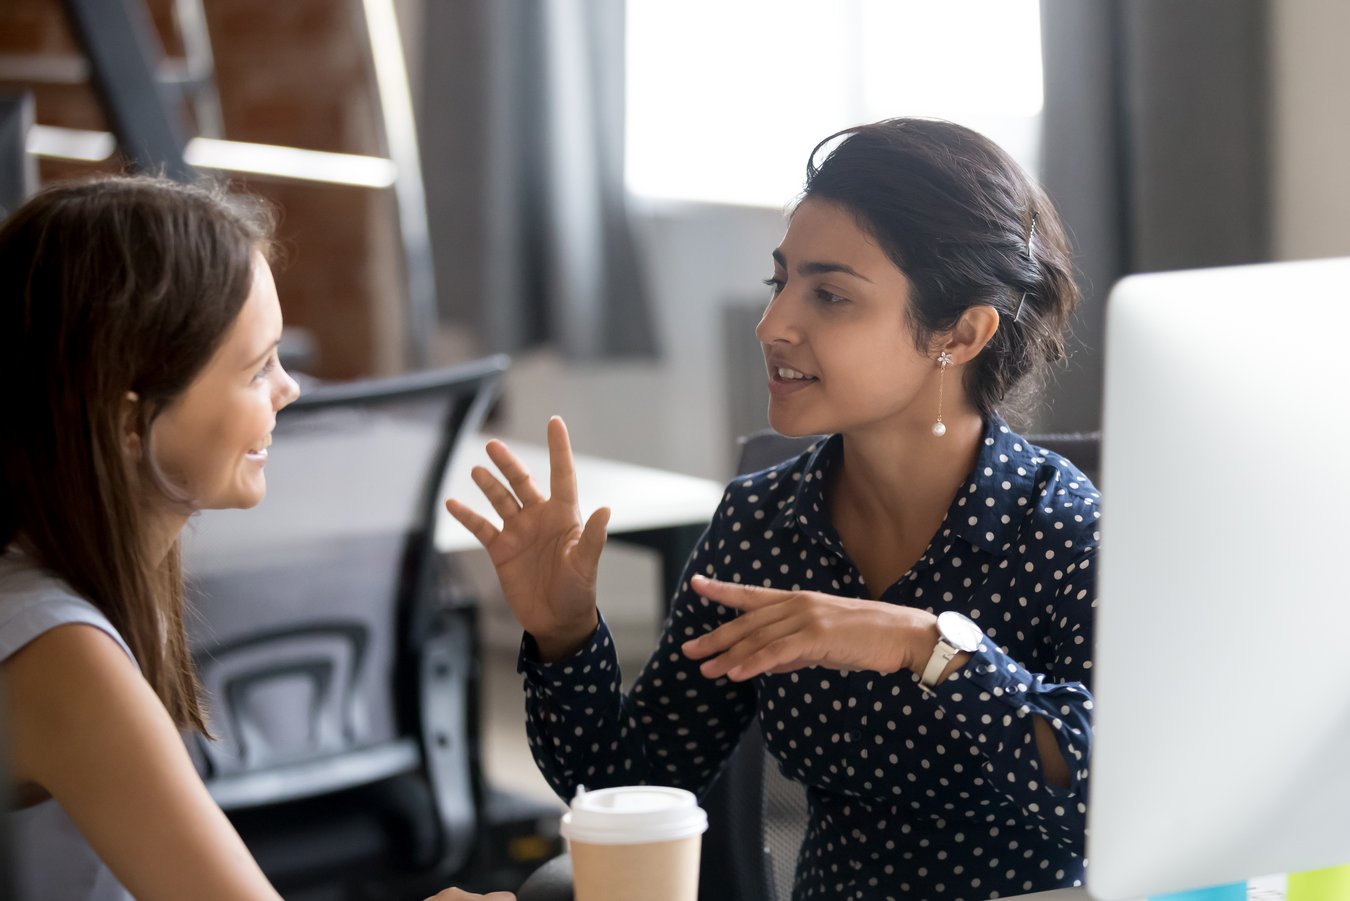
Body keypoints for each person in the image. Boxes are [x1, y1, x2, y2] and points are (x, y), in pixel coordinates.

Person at [446, 117, 1098, 900]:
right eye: (779, 281)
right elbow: (631, 785)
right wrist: (564, 633)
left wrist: (925, 645)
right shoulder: (763, 525)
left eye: (829, 294)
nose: (773, 324)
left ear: (960, 332)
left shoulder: (1061, 528)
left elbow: (1107, 794)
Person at [0, 176, 511, 901]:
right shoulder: (59, 650)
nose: (289, 389)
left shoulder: (87, 585)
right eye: (256, 367)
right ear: (127, 423)